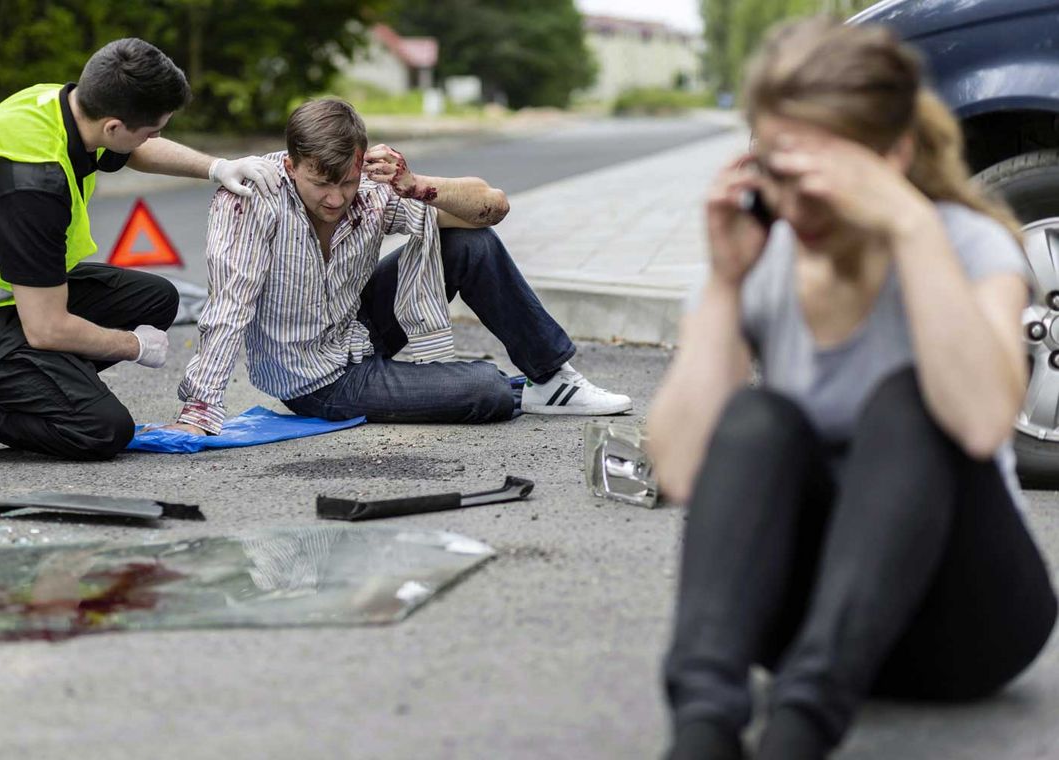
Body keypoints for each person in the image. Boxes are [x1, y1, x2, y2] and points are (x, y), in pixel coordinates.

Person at [645, 18, 1057, 760]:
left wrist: (909, 223)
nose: (795, 205)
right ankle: (702, 729)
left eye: (819, 177)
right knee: (758, 418)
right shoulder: (761, 251)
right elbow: (677, 469)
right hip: (800, 619)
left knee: (912, 404)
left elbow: (980, 423)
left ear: (892, 154)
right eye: (774, 172)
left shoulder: (967, 242)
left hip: (967, 622)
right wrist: (726, 287)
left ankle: (799, 734)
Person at [166, 98, 630, 436]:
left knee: (472, 243)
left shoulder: (370, 183)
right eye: (320, 184)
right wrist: (200, 409)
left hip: (358, 328)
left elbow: (493, 206)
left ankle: (553, 378)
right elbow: (230, 305)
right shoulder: (252, 199)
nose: (335, 198)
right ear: (291, 166)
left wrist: (416, 184)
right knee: (484, 391)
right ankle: (509, 389)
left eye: (346, 182)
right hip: (316, 376)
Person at [0, 38, 280, 464]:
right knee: (101, 429)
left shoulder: (62, 105)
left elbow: (135, 148)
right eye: (153, 129)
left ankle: (34, 388)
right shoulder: (31, 183)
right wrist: (131, 346)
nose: (156, 137)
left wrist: (217, 167)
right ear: (113, 127)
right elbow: (47, 329)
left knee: (157, 299)